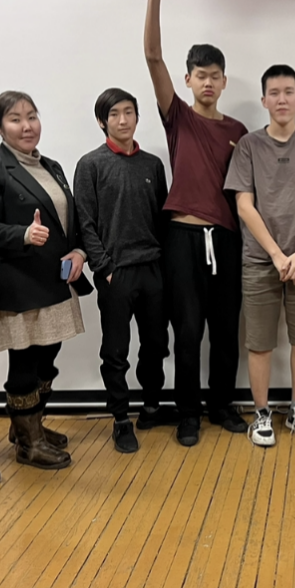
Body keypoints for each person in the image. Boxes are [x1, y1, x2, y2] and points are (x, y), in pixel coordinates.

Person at [142, 0, 249, 446]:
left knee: (225, 328)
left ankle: (221, 404)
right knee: (186, 330)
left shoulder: (239, 131)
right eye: (200, 75)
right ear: (187, 80)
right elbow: (152, 57)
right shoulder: (178, 117)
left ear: (224, 81)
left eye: (215, 75)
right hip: (182, 237)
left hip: (226, 238)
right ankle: (187, 411)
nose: (208, 82)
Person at [0, 91, 93, 470]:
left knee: (47, 358)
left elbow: (68, 221)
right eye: (15, 119)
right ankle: (28, 444)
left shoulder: (50, 165)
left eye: (32, 116)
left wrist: (79, 251)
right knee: (25, 364)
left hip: (55, 279)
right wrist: (22, 234)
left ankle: (30, 426)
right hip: (21, 280)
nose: (27, 126)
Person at [224, 65, 295, 447]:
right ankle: (261, 414)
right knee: (260, 342)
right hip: (259, 259)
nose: (282, 99)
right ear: (263, 100)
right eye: (274, 92)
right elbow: (244, 205)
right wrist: (276, 254)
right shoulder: (248, 145)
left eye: (288, 92)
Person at [73, 88, 175, 454]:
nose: (122, 120)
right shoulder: (91, 164)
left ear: (137, 117)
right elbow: (85, 223)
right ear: (102, 121)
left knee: (156, 345)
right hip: (116, 273)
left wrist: (164, 265)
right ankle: (120, 419)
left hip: (152, 269)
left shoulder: (152, 165)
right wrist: (105, 268)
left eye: (128, 112)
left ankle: (151, 407)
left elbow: (162, 218)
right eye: (114, 114)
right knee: (116, 350)